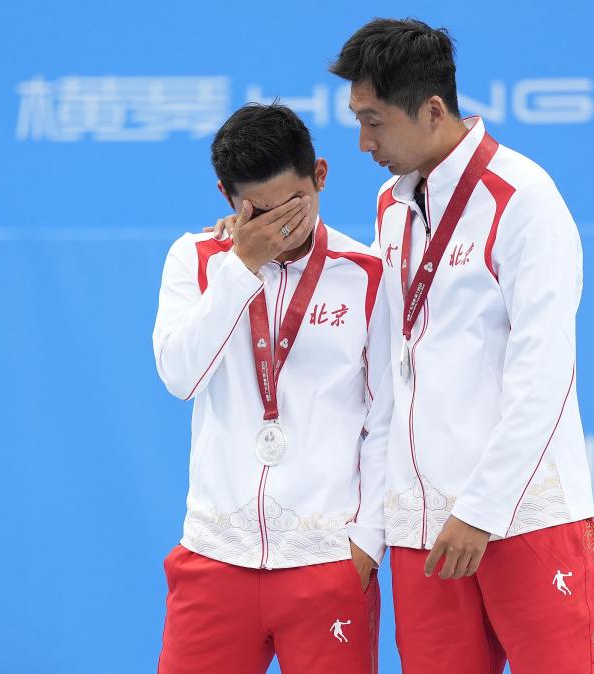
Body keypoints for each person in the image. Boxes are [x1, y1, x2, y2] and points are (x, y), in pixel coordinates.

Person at [329, 18, 594, 674]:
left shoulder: (523, 200)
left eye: (373, 122)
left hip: (523, 519)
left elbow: (544, 373)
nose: (363, 143)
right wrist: (260, 240)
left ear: (432, 111)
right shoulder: (389, 204)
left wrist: (481, 509)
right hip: (421, 530)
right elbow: (386, 350)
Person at [152, 102, 390, 674]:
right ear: (227, 197)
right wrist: (242, 267)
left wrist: (366, 542)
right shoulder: (196, 260)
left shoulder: (368, 273)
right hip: (215, 559)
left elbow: (386, 417)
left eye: (294, 204)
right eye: (261, 211)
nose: (281, 225)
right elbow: (180, 376)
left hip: (327, 562)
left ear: (320, 176)